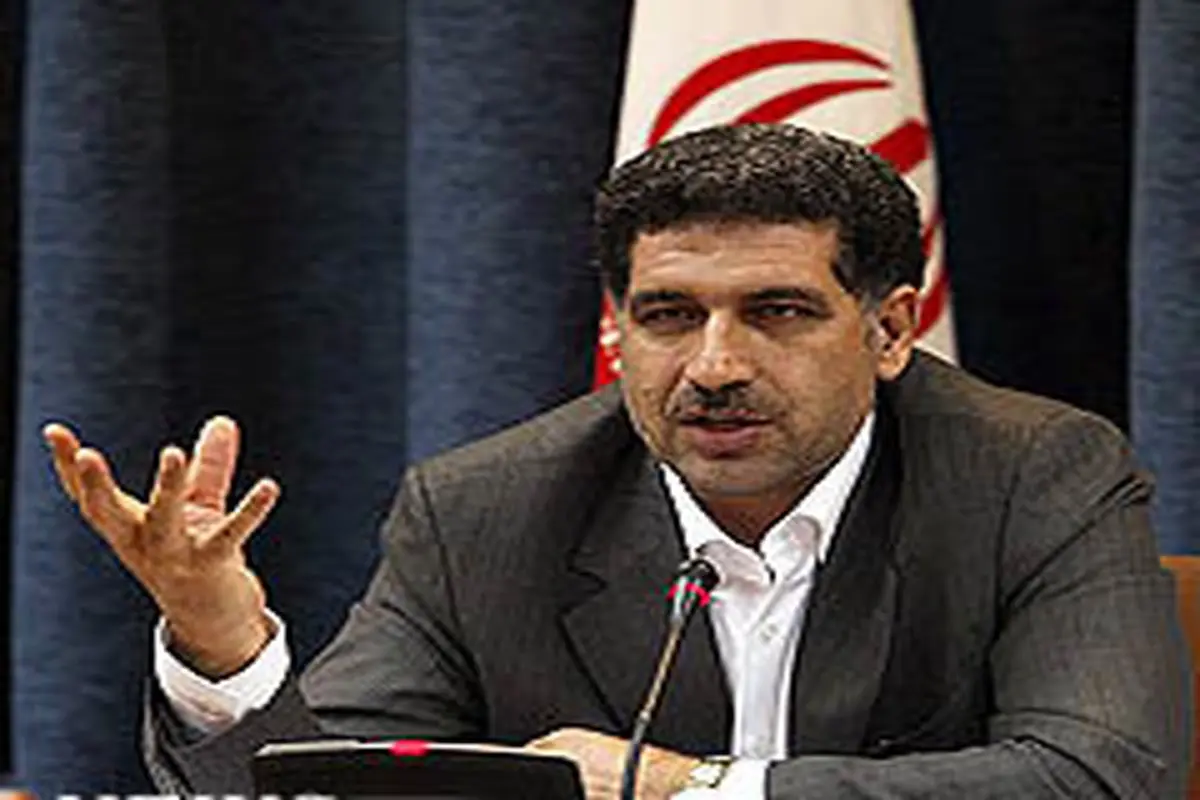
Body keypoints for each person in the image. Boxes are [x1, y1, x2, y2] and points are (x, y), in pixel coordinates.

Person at [45, 123, 1189, 799]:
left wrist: (691, 787)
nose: (715, 364)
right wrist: (222, 642)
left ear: (890, 330)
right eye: (668, 315)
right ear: (616, 331)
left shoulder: (1034, 473)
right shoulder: (487, 507)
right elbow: (332, 788)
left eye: (779, 311)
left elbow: (1098, 774)